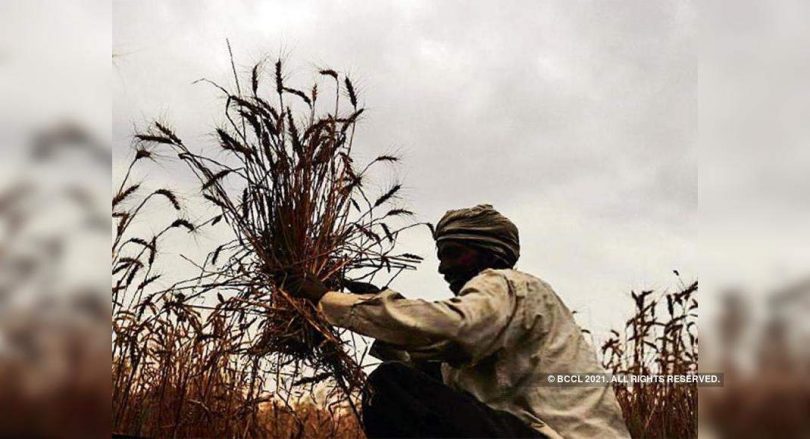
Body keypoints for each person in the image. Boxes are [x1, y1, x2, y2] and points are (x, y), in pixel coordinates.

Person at [285, 204, 630, 438]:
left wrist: (327, 299)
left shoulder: (507, 284)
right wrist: (367, 318)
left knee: (389, 386)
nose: (442, 267)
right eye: (440, 256)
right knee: (412, 382)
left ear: (489, 253)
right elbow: (440, 368)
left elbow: (454, 328)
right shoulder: (503, 314)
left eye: (453, 253)